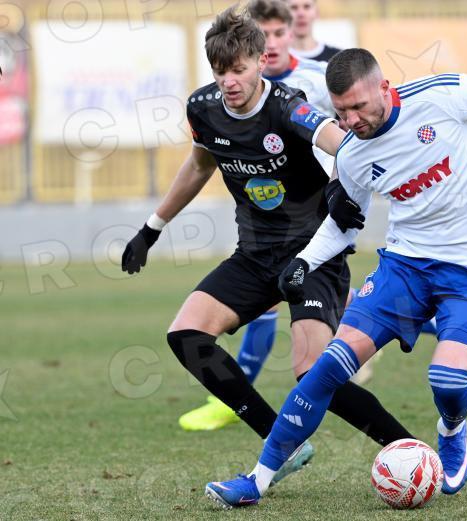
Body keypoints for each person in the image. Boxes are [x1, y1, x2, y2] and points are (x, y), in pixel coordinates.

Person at [202, 47, 467, 509]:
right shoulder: (353, 153)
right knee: (326, 368)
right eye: (341, 112)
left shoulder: (443, 97)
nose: (351, 120)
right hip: (403, 271)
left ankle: (452, 428)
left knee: (447, 382)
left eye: (359, 106)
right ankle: (257, 480)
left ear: (384, 88)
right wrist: (305, 261)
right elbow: (345, 222)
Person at [121, 6, 414, 489]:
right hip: (255, 255)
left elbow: (339, 141)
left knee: (311, 373)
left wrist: (342, 189)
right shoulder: (203, 108)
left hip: (311, 255)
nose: (229, 82)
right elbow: (199, 166)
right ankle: (284, 442)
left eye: (238, 69)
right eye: (220, 71)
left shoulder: (287, 106)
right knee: (186, 335)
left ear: (260, 62)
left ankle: (408, 448)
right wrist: (152, 228)